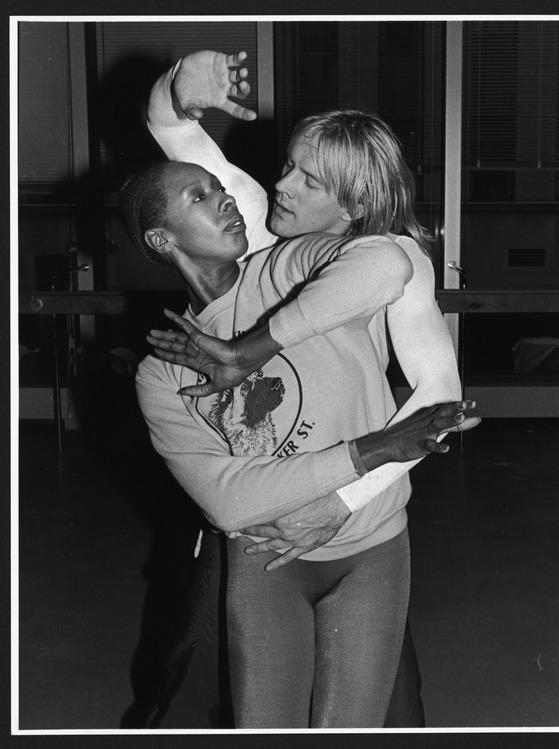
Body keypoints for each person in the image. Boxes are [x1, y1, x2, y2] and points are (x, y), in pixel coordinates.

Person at [140, 49, 470, 727]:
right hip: (258, 518)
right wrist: (177, 87)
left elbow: (437, 398)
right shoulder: (263, 221)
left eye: (306, 178)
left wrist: (340, 503)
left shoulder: (389, 259)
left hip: (354, 521)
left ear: (351, 205)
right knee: (188, 685)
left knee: (387, 711)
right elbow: (172, 134)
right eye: (287, 164)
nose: (279, 184)